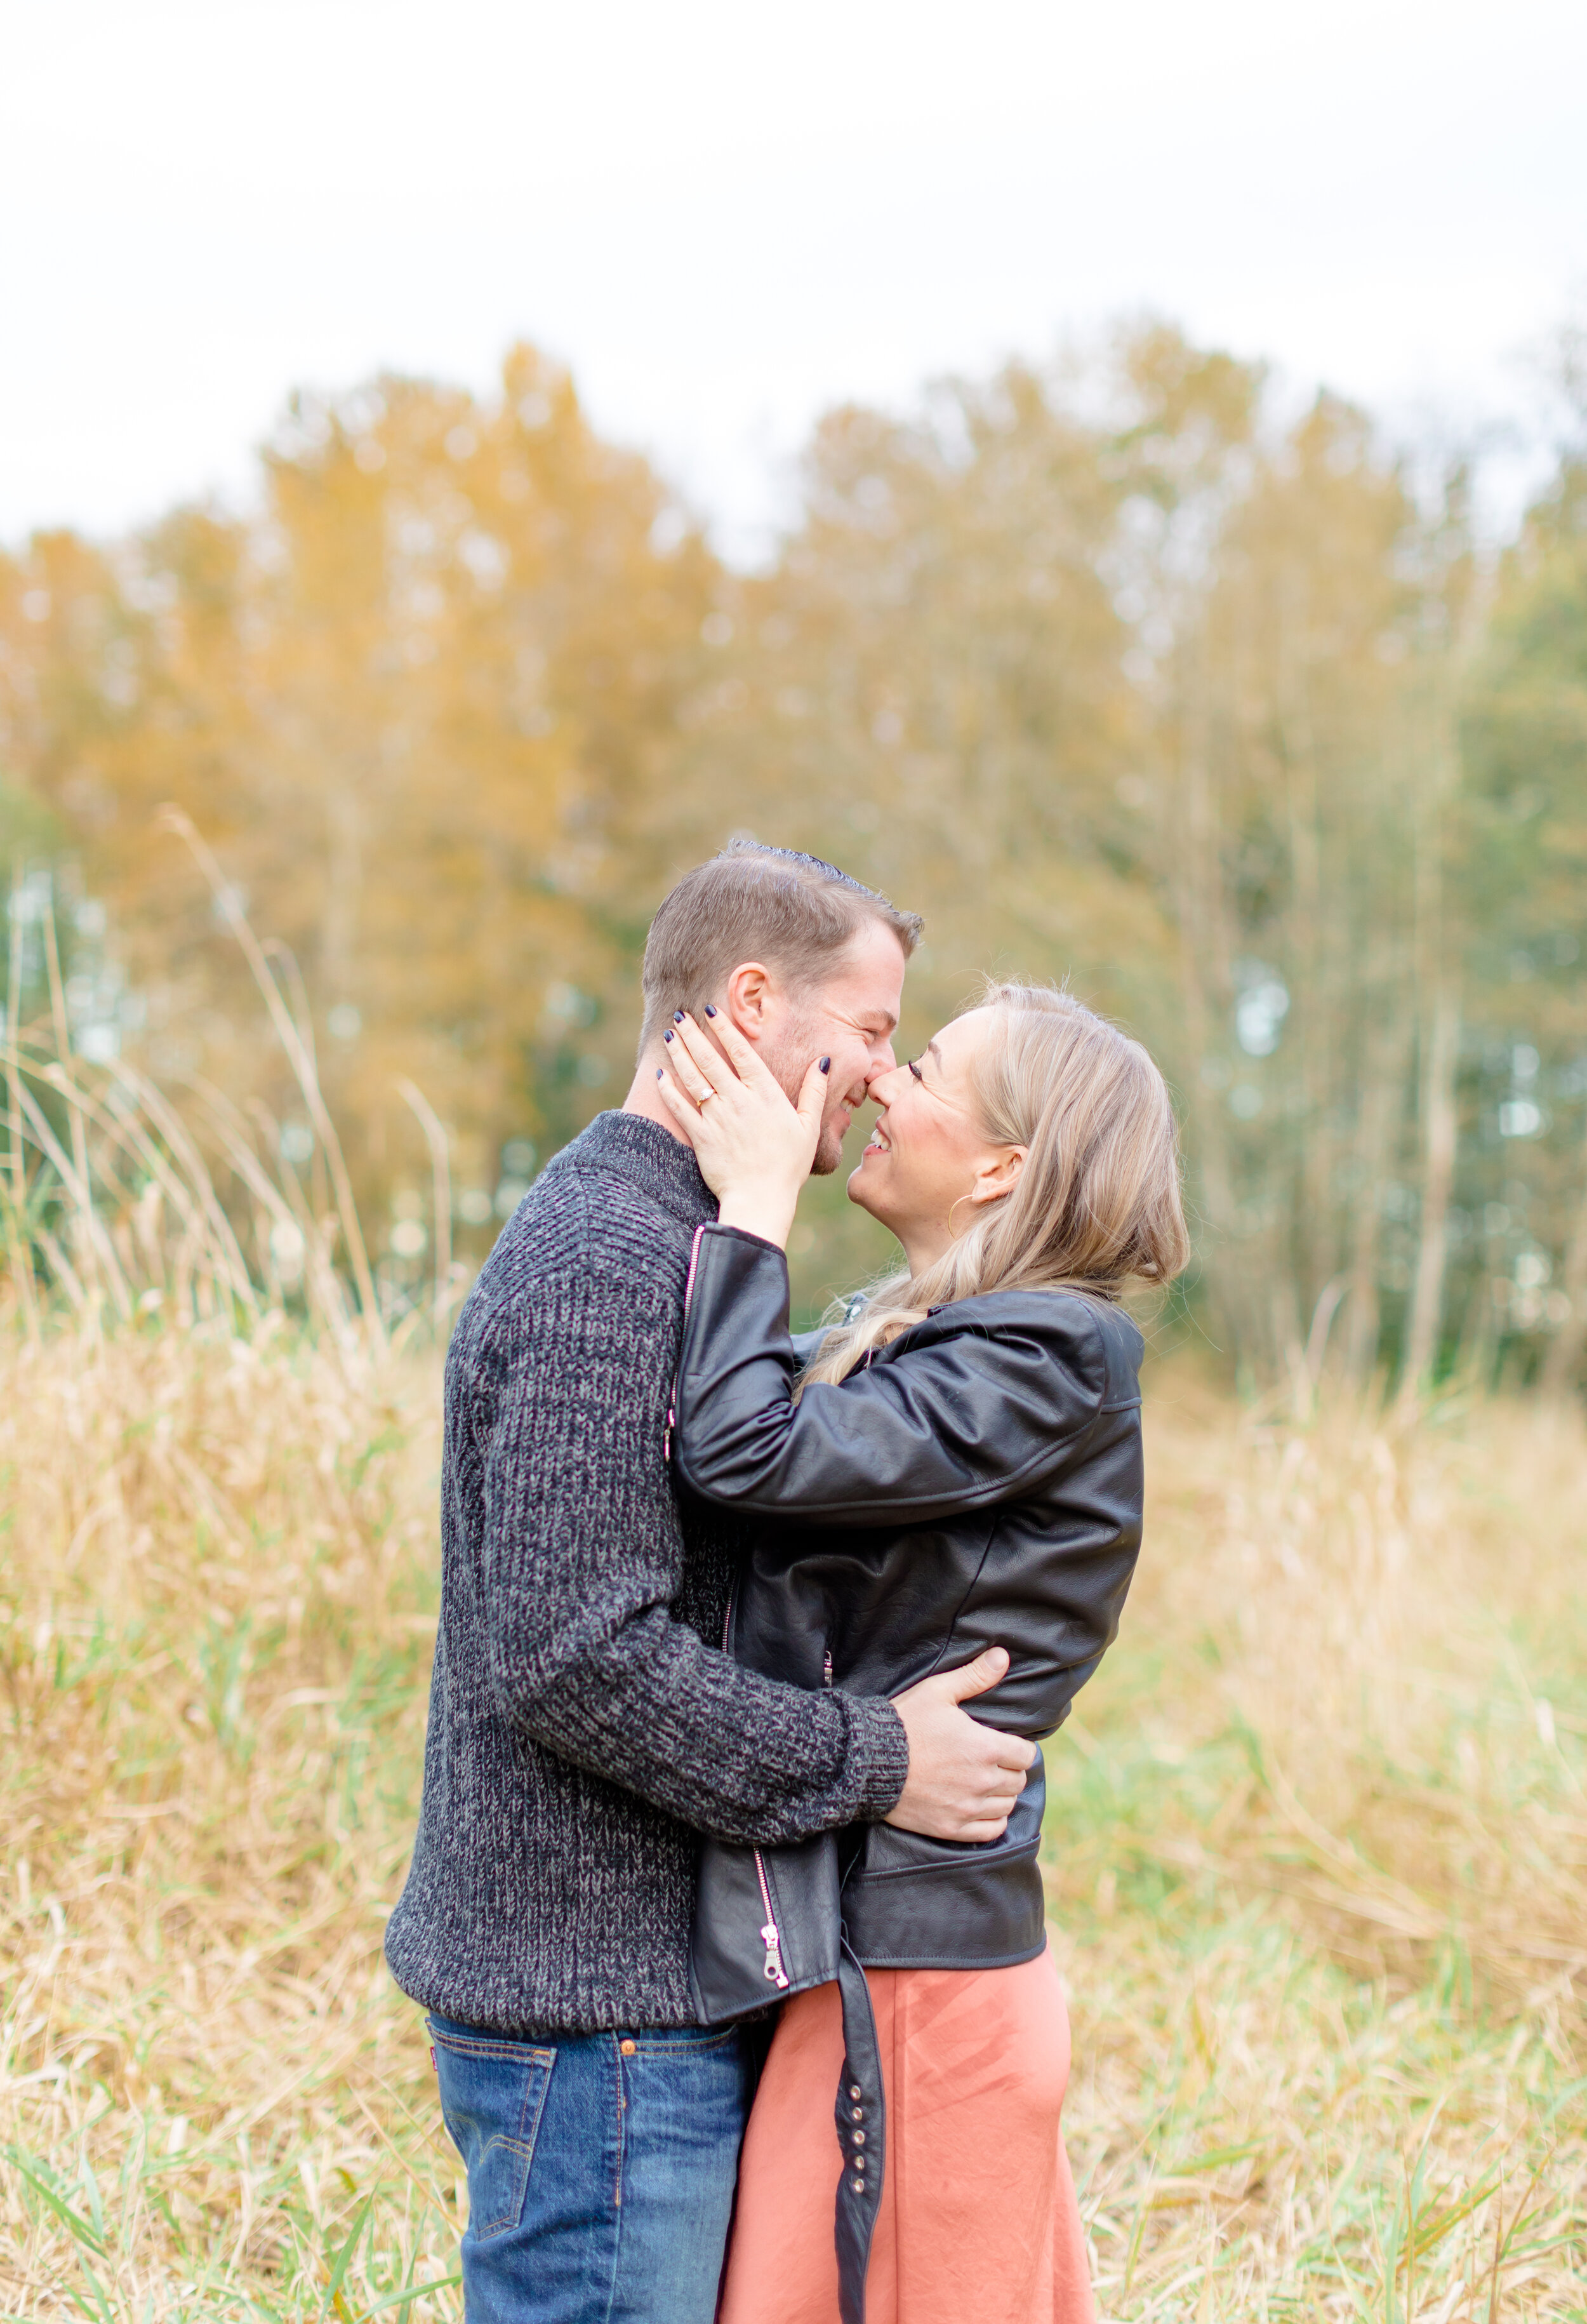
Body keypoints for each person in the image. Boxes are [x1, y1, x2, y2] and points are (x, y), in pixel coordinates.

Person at [383, 841, 1038, 2324]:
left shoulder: (689, 1240)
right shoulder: (613, 1261)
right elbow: (574, 1654)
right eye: (870, 1030)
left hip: (632, 2009)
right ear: (751, 1002)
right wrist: (880, 1760)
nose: (879, 1075)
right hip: (595, 2022)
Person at [656, 980, 1190, 2324]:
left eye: (927, 1067)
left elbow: (744, 1451)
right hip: (874, 1960)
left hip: (916, 1989)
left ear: (1004, 1164)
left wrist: (751, 1213)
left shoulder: (1048, 1353)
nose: (882, 1083)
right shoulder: (952, 1341)